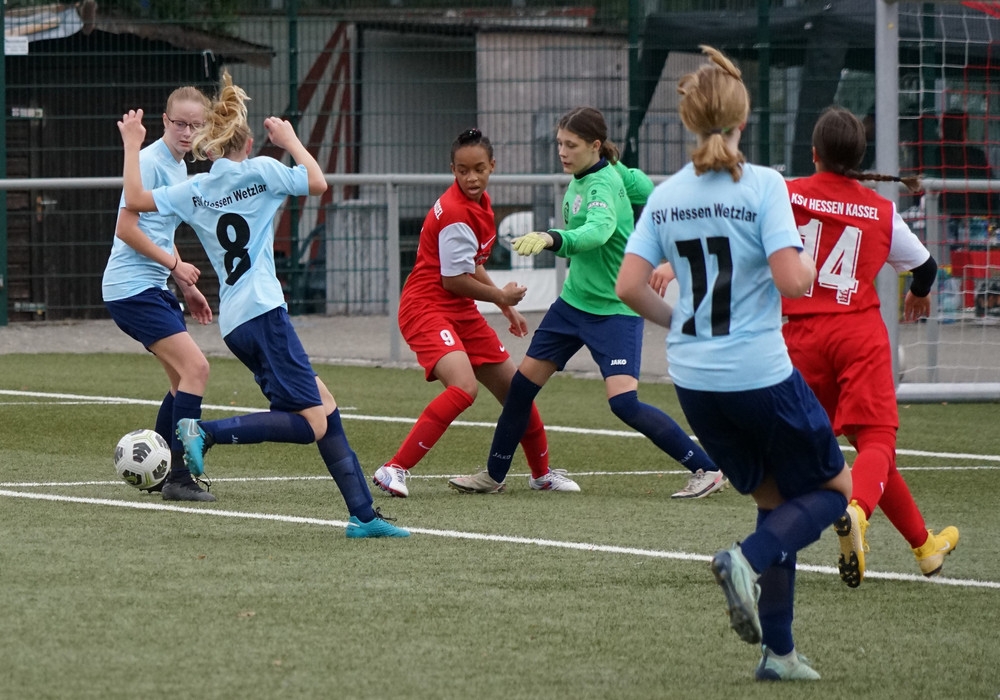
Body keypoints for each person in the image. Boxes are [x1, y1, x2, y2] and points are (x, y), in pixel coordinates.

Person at [615, 46, 852, 681]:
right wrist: (807, 259)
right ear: (743, 120)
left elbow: (629, 286)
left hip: (695, 380)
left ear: (689, 122)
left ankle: (780, 654)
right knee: (835, 491)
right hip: (758, 373)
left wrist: (680, 323)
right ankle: (744, 560)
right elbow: (793, 280)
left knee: (776, 504)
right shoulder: (765, 184)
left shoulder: (667, 195)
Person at [117, 71, 408, 538]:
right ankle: (205, 432)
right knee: (312, 424)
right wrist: (290, 140)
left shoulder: (195, 189)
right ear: (249, 144)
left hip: (236, 322)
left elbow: (133, 198)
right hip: (266, 312)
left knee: (325, 406)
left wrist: (132, 144)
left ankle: (363, 515)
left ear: (208, 148)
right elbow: (318, 182)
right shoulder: (263, 172)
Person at [449, 106, 724, 498]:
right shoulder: (600, 173)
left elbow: (598, 231)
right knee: (521, 389)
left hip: (614, 311)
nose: (562, 152)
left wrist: (553, 237)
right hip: (573, 305)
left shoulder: (601, 184)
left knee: (624, 403)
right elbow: (644, 188)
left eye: (571, 145)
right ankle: (493, 476)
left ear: (595, 145)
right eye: (560, 143)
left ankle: (707, 468)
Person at [782, 106, 959, 585]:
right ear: (860, 158)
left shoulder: (786, 194)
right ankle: (857, 512)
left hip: (800, 337)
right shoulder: (879, 209)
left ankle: (925, 547)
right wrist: (918, 295)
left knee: (855, 450)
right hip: (857, 333)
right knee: (878, 440)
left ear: (814, 153)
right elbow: (926, 268)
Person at [371, 128, 575, 498]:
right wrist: (501, 295)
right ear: (453, 169)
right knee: (464, 387)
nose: (472, 178)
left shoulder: (481, 204)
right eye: (463, 171)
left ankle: (541, 475)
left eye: (479, 169)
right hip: (425, 307)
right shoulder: (455, 212)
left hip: (458, 309)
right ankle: (394, 468)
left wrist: (502, 305)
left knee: (517, 392)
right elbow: (452, 281)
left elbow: (470, 264)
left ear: (492, 165)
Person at [102, 86, 216, 502]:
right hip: (131, 289)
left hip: (152, 286)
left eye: (195, 125)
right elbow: (126, 229)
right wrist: (174, 267)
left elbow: (160, 232)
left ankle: (162, 470)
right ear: (165, 121)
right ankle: (180, 477)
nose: (187, 132)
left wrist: (187, 285)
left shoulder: (178, 166)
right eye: (180, 123)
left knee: (181, 382)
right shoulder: (150, 161)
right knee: (197, 369)